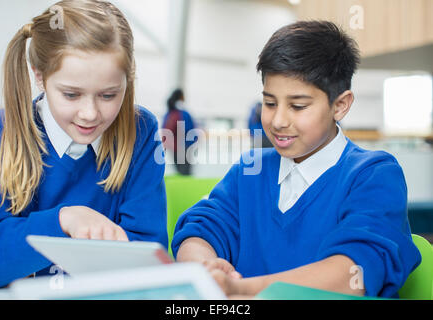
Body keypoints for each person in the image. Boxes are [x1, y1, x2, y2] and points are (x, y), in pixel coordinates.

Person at [171, 21, 421, 298]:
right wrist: (205, 269)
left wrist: (239, 289)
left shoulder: (373, 175)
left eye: (298, 106)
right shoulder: (250, 170)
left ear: (340, 105)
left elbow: (352, 274)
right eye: (269, 103)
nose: (278, 120)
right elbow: (201, 228)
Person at [0, 0, 167, 289]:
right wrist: (63, 221)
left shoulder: (141, 132)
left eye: (108, 95)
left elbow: (147, 255)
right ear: (39, 76)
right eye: (71, 95)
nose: (90, 113)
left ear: (128, 79)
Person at [162, 88, 196, 175]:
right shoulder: (184, 114)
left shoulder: (169, 114)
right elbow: (191, 130)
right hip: (184, 147)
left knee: (180, 172)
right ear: (180, 97)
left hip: (174, 148)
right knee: (186, 173)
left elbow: (164, 130)